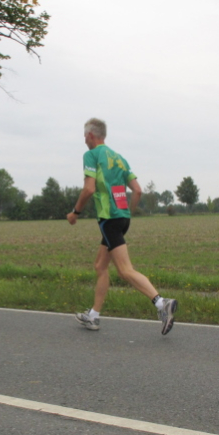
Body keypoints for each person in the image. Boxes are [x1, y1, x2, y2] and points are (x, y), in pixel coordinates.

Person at [67, 118, 177, 335]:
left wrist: (75, 212)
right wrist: (128, 213)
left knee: (125, 270)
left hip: (109, 219)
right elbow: (137, 190)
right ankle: (93, 316)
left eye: (84, 135)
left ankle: (161, 303)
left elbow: (89, 189)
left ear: (90, 135)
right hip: (122, 217)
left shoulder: (92, 155)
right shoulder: (119, 158)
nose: (84, 139)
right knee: (100, 266)